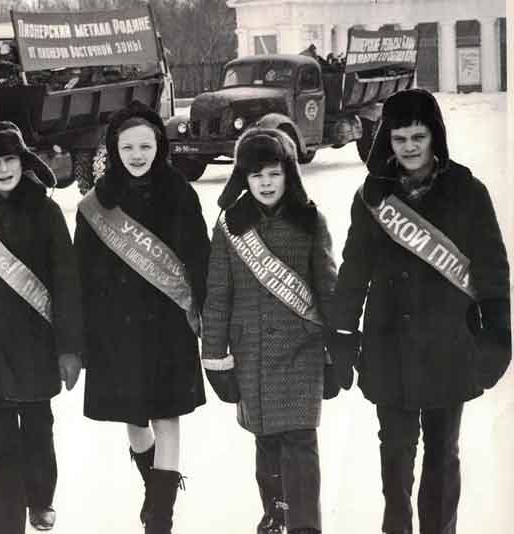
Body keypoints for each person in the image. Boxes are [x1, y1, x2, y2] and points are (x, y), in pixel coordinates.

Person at [329, 88, 511, 534]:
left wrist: (497, 336)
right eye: (399, 138)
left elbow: (491, 269)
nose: (409, 147)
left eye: (417, 137)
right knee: (395, 456)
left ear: (435, 137)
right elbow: (354, 270)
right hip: (387, 346)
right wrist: (342, 333)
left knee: (443, 454)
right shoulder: (372, 197)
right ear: (386, 142)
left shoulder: (467, 190)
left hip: (449, 344)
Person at [74, 100, 210, 534]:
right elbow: (81, 273)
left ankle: (159, 515)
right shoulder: (96, 204)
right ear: (114, 149)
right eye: (128, 146)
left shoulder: (180, 193)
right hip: (116, 331)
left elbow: (200, 258)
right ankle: (157, 489)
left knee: (167, 417)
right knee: (135, 423)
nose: (137, 155)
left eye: (145, 145)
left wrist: (206, 314)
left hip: (170, 326)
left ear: (159, 145)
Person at [0, 120, 83, 534]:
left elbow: (67, 282)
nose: (3, 169)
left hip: (34, 345)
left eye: (10, 160)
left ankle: (40, 498)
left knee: (38, 430)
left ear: (23, 162)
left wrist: (70, 348)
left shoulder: (46, 212)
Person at [202, 127, 338, 534]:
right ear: (242, 178)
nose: (265, 182)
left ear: (289, 176)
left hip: (303, 352)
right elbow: (217, 295)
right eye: (256, 174)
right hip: (252, 353)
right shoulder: (230, 227)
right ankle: (276, 515)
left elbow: (328, 288)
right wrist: (215, 359)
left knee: (300, 441)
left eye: (274, 174)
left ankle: (305, 526)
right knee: (266, 442)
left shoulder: (311, 222)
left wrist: (339, 350)